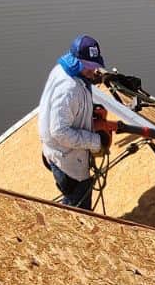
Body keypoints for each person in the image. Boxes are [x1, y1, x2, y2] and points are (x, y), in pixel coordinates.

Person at [38, 35, 108, 208]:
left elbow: (68, 108)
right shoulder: (69, 89)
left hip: (63, 154)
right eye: (89, 66)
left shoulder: (63, 71)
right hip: (67, 162)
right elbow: (59, 131)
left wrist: (88, 111)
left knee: (73, 206)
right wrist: (95, 141)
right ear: (76, 61)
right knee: (78, 211)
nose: (93, 70)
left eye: (94, 66)